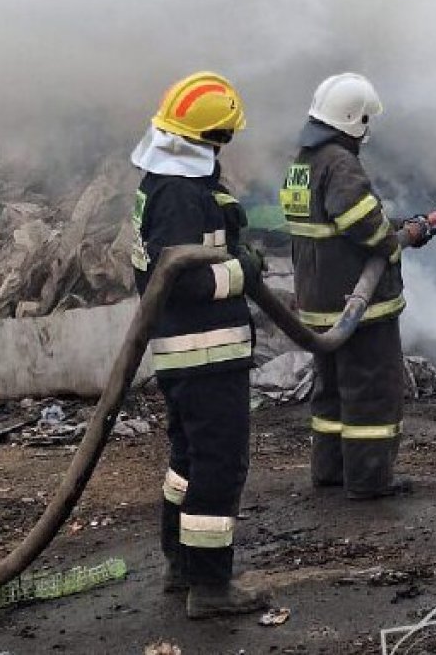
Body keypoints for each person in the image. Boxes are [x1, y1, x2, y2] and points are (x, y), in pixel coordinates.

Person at [130, 71, 270, 619]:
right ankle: (210, 586)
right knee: (220, 464)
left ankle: (181, 565)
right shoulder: (181, 196)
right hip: (204, 352)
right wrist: (244, 271)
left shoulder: (164, 184)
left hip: (186, 352)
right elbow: (184, 279)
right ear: (212, 138)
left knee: (188, 460)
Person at [279, 73, 435, 500]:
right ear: (355, 119)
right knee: (371, 391)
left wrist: (399, 226)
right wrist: (399, 239)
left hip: (318, 299)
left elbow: (332, 221)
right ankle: (369, 480)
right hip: (358, 305)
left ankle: (330, 471)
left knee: (330, 392)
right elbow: (360, 223)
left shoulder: (303, 161)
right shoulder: (339, 162)